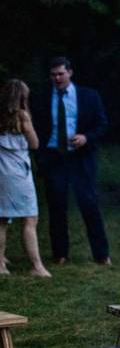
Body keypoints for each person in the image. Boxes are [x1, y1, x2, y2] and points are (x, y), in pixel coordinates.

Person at [31, 57, 110, 265]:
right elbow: (36, 127)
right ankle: (60, 254)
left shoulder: (89, 96)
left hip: (81, 157)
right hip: (54, 157)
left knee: (89, 205)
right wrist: (40, 156)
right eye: (53, 74)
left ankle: (101, 255)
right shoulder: (42, 97)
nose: (57, 78)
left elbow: (102, 124)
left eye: (60, 73)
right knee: (56, 206)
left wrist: (86, 137)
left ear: (70, 73)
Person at [0, 80, 51, 277]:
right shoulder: (22, 116)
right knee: (30, 219)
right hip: (18, 174)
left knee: (2, 219)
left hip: (1, 172)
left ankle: (1, 265)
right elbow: (35, 143)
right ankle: (37, 266)